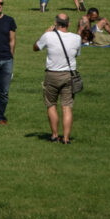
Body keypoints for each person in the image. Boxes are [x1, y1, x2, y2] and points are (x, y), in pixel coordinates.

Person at [34, 13, 82, 144]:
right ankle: (66, 138)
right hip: (68, 75)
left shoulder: (48, 36)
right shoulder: (77, 38)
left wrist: (45, 33)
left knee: (51, 105)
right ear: (69, 24)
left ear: (56, 23)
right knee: (67, 107)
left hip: (52, 74)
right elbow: (76, 54)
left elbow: (36, 47)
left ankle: (55, 135)